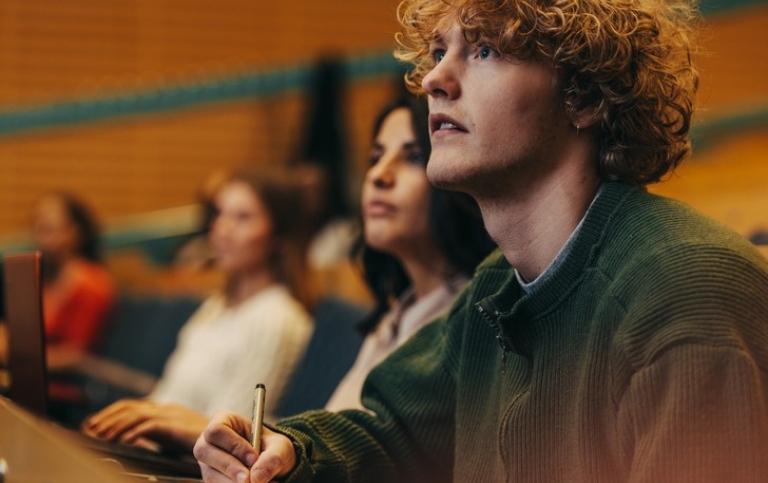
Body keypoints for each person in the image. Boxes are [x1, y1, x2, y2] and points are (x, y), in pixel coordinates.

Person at [194, 0, 768, 481]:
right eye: (439, 52)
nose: (435, 81)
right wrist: (286, 450)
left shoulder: (684, 289)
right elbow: (392, 433)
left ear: (586, 97)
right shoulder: (496, 282)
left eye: (485, 50)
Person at [82, 168, 313, 453]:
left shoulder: (277, 318)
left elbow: (231, 437)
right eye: (219, 214)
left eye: (243, 217)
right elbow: (170, 395)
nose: (222, 229)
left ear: (280, 237)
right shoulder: (216, 305)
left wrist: (149, 434)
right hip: (158, 450)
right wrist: (126, 427)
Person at [324, 94, 495, 411]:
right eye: (376, 157)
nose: (379, 175)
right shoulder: (397, 314)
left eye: (414, 157)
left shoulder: (470, 326)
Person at [0, 192, 116, 371]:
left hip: (63, 387)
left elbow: (78, 355)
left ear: (75, 232)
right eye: (37, 229)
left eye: (48, 229)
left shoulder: (91, 284)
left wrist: (13, 357)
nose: (40, 239)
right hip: (27, 377)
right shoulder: (43, 278)